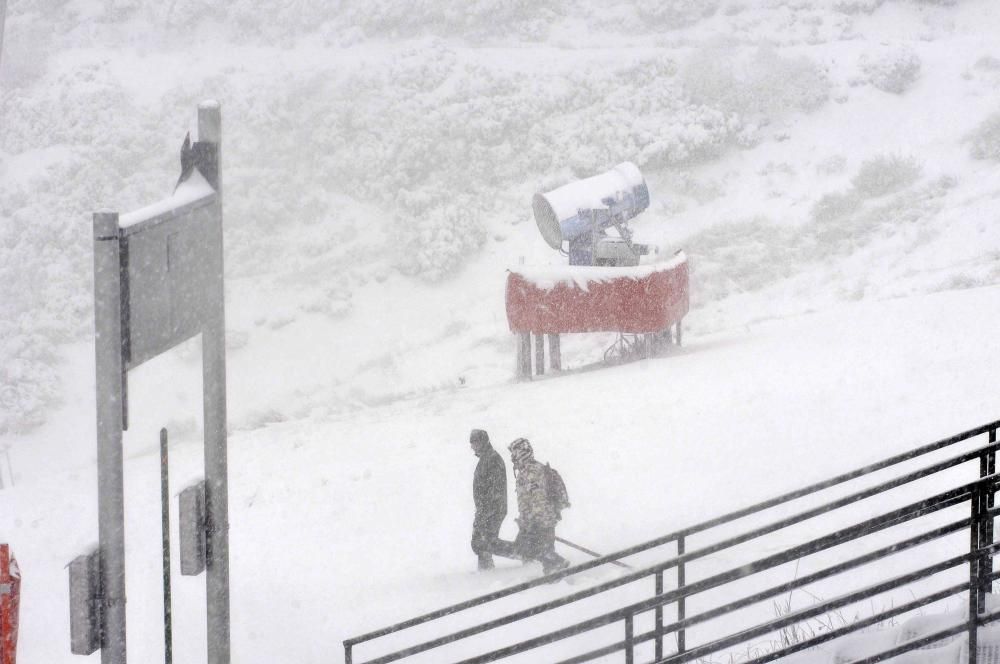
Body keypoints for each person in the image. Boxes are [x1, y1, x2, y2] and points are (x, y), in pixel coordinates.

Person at [508, 437, 570, 574]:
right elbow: (527, 501)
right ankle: (553, 574)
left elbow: (538, 500)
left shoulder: (532, 472)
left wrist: (533, 522)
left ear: (521, 453)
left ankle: (556, 568)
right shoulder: (526, 471)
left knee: (540, 550)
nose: (512, 457)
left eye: (514, 453)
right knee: (534, 550)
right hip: (537, 520)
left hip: (540, 521)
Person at [469, 429, 516, 570]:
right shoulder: (486, 459)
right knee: (480, 542)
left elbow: (495, 489)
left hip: (493, 509)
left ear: (482, 442)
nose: (472, 446)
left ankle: (523, 554)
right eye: (471, 443)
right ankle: (486, 569)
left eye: (474, 442)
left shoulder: (492, 459)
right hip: (486, 509)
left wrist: (486, 510)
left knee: (486, 542)